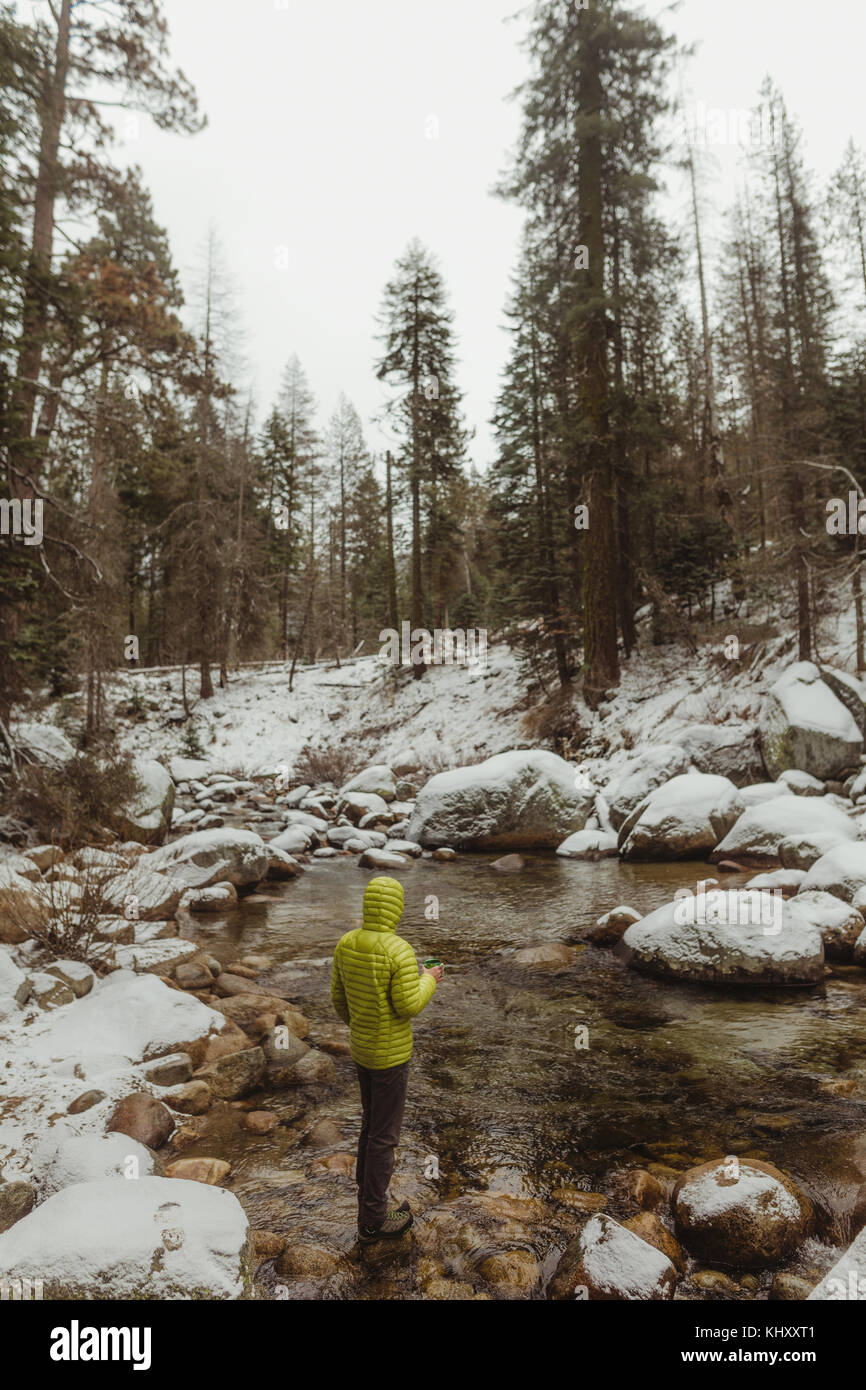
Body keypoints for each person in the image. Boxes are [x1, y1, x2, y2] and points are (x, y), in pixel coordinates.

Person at [330, 874, 443, 1244]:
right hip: (391, 1057)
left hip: (362, 1050)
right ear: (395, 909)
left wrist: (361, 1026)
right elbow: (409, 1005)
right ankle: (374, 1219)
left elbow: (338, 999)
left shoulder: (347, 943)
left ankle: (367, 1195)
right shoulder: (398, 950)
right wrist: (430, 979)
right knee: (385, 1137)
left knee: (370, 1125)